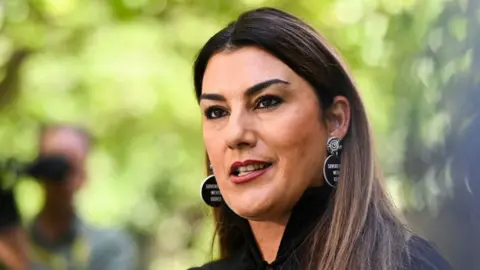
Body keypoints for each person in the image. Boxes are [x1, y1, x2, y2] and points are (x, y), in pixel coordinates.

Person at [189, 7, 452, 270]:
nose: (235, 134)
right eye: (217, 112)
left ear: (335, 120)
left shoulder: (406, 264)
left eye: (266, 102)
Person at [1, 124, 137, 270]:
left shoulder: (109, 246)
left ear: (84, 174)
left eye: (71, 164)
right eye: (53, 161)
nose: (61, 174)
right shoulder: (11, 242)